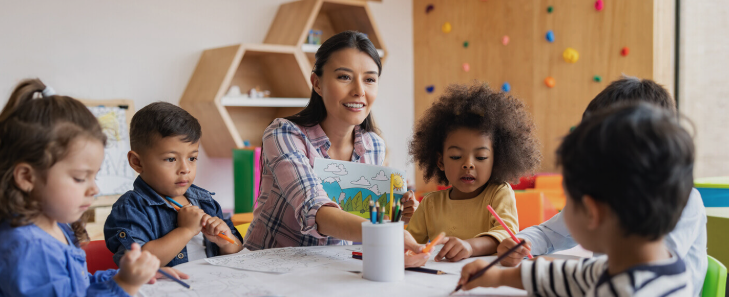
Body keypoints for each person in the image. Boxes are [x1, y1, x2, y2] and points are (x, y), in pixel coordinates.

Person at [0, 79, 184, 296]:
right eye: (79, 178)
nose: (94, 189)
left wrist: (128, 275)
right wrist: (123, 285)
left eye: (94, 177)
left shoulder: (55, 228)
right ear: (27, 177)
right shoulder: (28, 249)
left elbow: (78, 286)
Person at [497, 77, 707, 294]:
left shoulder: (683, 203)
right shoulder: (603, 195)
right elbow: (552, 235)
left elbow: (631, 271)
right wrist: (522, 242)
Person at [244, 31, 427, 266]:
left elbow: (365, 219)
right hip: (267, 268)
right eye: (344, 77)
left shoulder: (374, 146)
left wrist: (395, 213)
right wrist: (383, 233)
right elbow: (314, 208)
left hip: (332, 268)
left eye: (370, 79)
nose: (359, 90)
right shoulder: (283, 134)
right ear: (317, 83)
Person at [406, 84, 541, 262]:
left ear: (496, 160)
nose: (468, 165)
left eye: (481, 157)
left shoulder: (499, 192)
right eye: (455, 156)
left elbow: (505, 234)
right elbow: (409, 243)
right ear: (440, 161)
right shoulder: (430, 204)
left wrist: (469, 246)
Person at [104, 102, 243, 267]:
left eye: (192, 158)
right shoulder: (130, 208)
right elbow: (137, 264)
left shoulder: (206, 202)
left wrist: (225, 241)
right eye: (171, 159)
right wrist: (186, 231)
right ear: (137, 162)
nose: (185, 169)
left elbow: (237, 249)